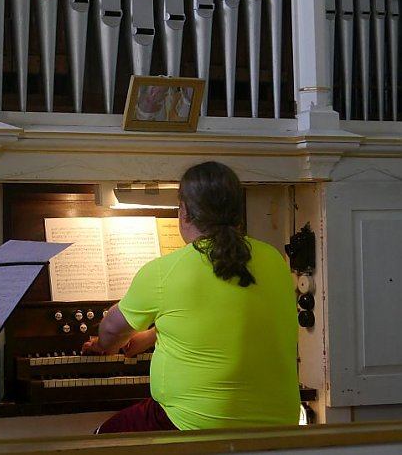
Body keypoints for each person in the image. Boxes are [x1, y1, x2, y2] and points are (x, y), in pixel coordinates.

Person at [82, 161, 300, 433]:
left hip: (194, 424)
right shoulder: (275, 259)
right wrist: (153, 334)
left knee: (101, 437)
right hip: (280, 423)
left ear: (184, 212)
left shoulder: (163, 271)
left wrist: (108, 345)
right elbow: (220, 315)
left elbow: (111, 330)